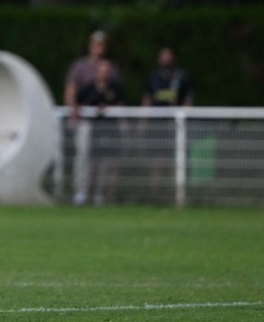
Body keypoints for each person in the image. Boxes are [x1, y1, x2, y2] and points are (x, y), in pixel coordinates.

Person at [63, 30, 121, 206]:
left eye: (102, 45)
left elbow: (117, 95)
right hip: (85, 120)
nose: (99, 48)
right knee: (83, 156)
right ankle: (80, 192)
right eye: (96, 44)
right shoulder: (80, 67)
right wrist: (74, 114)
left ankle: (99, 193)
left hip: (104, 123)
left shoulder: (111, 69)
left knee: (103, 158)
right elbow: (71, 92)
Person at [139, 46, 193, 200]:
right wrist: (142, 122)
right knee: (156, 161)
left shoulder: (181, 77)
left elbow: (188, 100)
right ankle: (155, 194)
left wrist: (183, 117)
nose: (166, 59)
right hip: (156, 125)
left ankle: (176, 194)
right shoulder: (154, 78)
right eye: (163, 56)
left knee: (177, 160)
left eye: (168, 56)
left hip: (175, 126)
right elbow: (147, 100)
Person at [75, 58, 126, 205]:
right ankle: (82, 192)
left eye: (107, 71)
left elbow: (120, 105)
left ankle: (100, 193)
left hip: (108, 129)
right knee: (87, 161)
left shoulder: (115, 88)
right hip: (91, 127)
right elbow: (78, 103)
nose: (104, 74)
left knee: (104, 162)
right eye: (102, 71)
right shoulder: (88, 88)